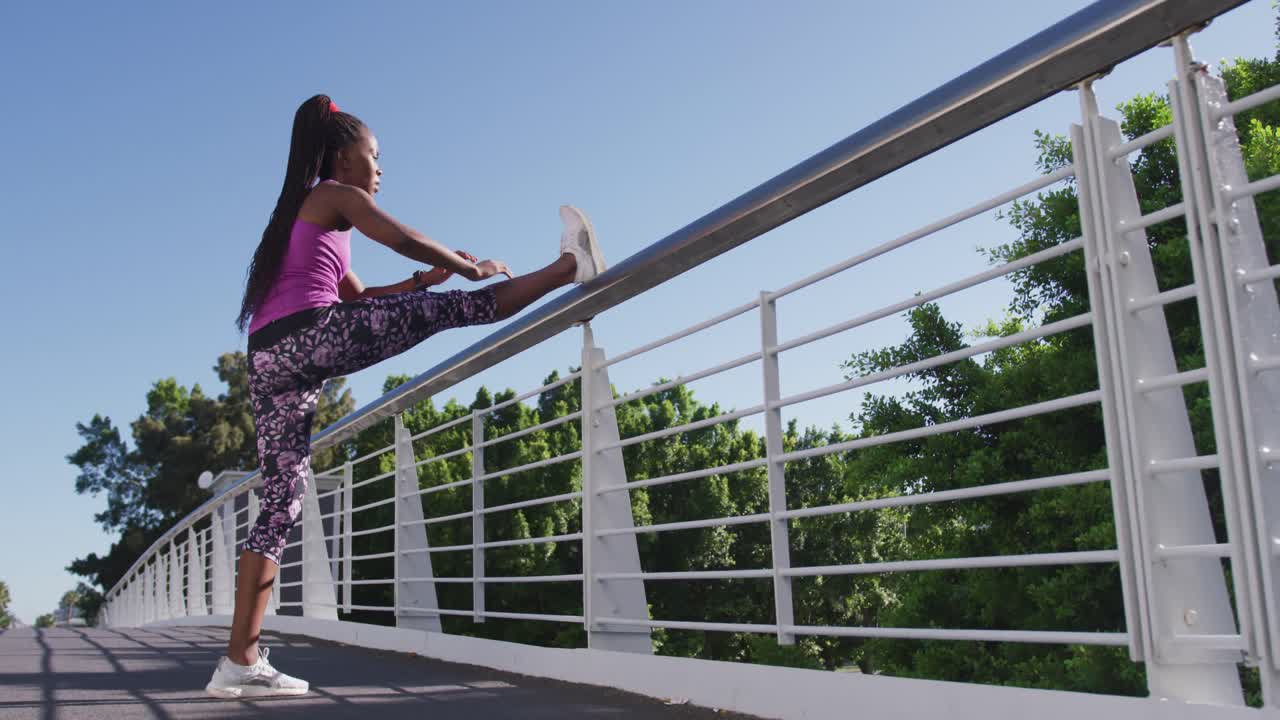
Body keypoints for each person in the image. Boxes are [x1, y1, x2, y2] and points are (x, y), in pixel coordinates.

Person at [205, 94, 605, 698]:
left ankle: (238, 659)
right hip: (307, 342)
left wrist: (423, 282)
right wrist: (465, 269)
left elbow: (360, 299)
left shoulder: (304, 214)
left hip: (271, 358)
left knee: (283, 500)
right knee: (452, 309)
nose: (380, 168)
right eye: (375, 156)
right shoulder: (335, 194)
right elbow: (403, 237)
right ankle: (570, 265)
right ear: (344, 158)